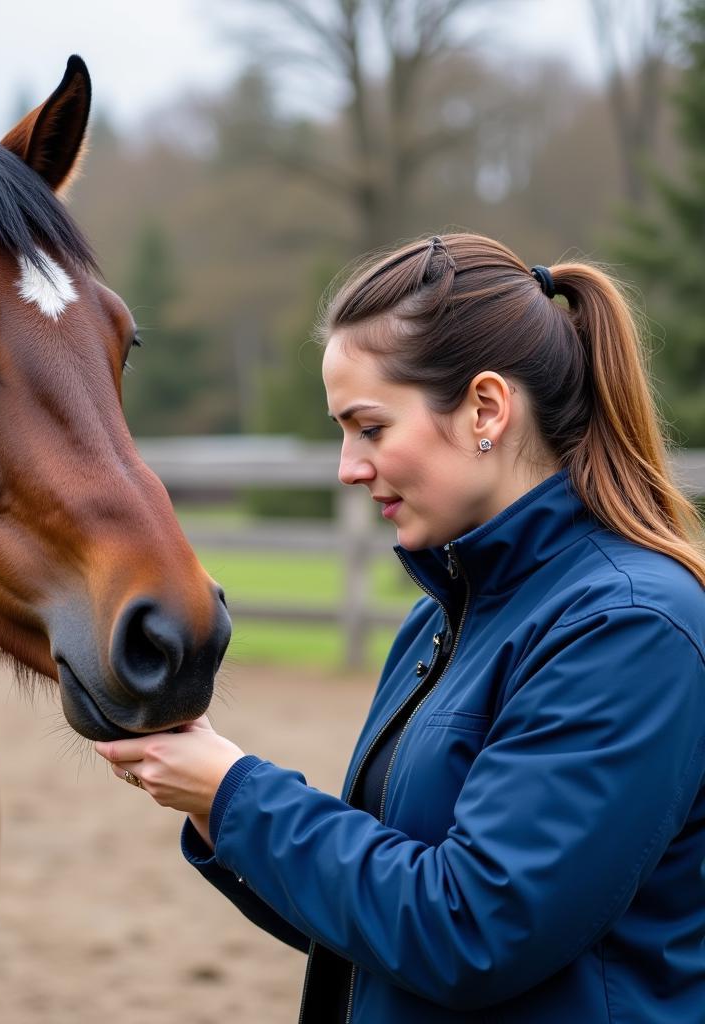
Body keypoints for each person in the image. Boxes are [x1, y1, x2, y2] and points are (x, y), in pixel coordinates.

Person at [93, 232, 705, 1022]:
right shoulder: (442, 621)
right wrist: (213, 804)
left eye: (370, 427)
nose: (347, 466)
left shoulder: (629, 629)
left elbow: (473, 929)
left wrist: (236, 793)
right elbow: (376, 924)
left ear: (487, 407)